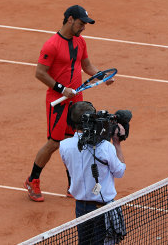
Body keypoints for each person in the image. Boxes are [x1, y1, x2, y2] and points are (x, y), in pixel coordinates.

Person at [24, 5, 114, 202]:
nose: (83, 27)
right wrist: (60, 88)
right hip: (58, 101)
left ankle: (72, 184)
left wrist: (102, 76)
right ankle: (33, 179)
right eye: (81, 23)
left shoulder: (80, 42)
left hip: (76, 101)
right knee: (54, 143)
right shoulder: (51, 45)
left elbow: (87, 65)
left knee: (75, 141)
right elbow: (40, 73)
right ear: (70, 19)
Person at [60, 101, 126, 244]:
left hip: (81, 208)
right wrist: (117, 144)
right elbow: (120, 171)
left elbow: (70, 166)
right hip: (102, 210)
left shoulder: (64, 146)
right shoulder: (105, 147)